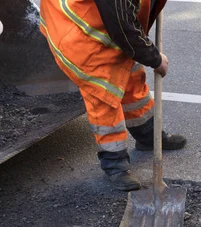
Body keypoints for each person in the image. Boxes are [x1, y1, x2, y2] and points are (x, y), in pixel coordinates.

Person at [39, 0, 186, 191]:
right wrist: (154, 58)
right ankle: (115, 164)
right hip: (77, 31)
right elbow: (122, 26)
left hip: (106, 21)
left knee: (131, 77)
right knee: (104, 95)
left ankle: (148, 136)